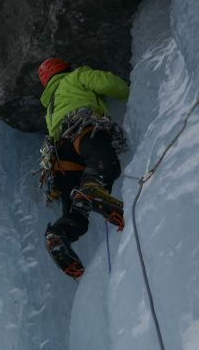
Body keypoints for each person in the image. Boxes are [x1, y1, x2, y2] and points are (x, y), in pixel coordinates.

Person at [38, 58, 130, 279]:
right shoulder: (76, 76)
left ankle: (60, 233)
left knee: (76, 212)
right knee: (103, 165)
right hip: (82, 130)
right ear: (64, 68)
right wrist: (130, 90)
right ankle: (92, 188)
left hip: (60, 156)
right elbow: (107, 83)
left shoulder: (49, 104)